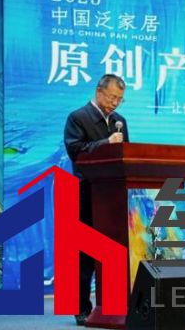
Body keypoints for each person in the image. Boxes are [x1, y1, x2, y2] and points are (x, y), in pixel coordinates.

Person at [63, 74, 129, 325]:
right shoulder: (78, 118)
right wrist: (105, 142)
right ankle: (81, 308)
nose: (115, 103)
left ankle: (113, 306)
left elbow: (126, 156)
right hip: (86, 194)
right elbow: (76, 152)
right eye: (112, 97)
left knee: (114, 253)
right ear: (99, 91)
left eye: (120, 99)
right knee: (85, 256)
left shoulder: (120, 122)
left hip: (113, 197)